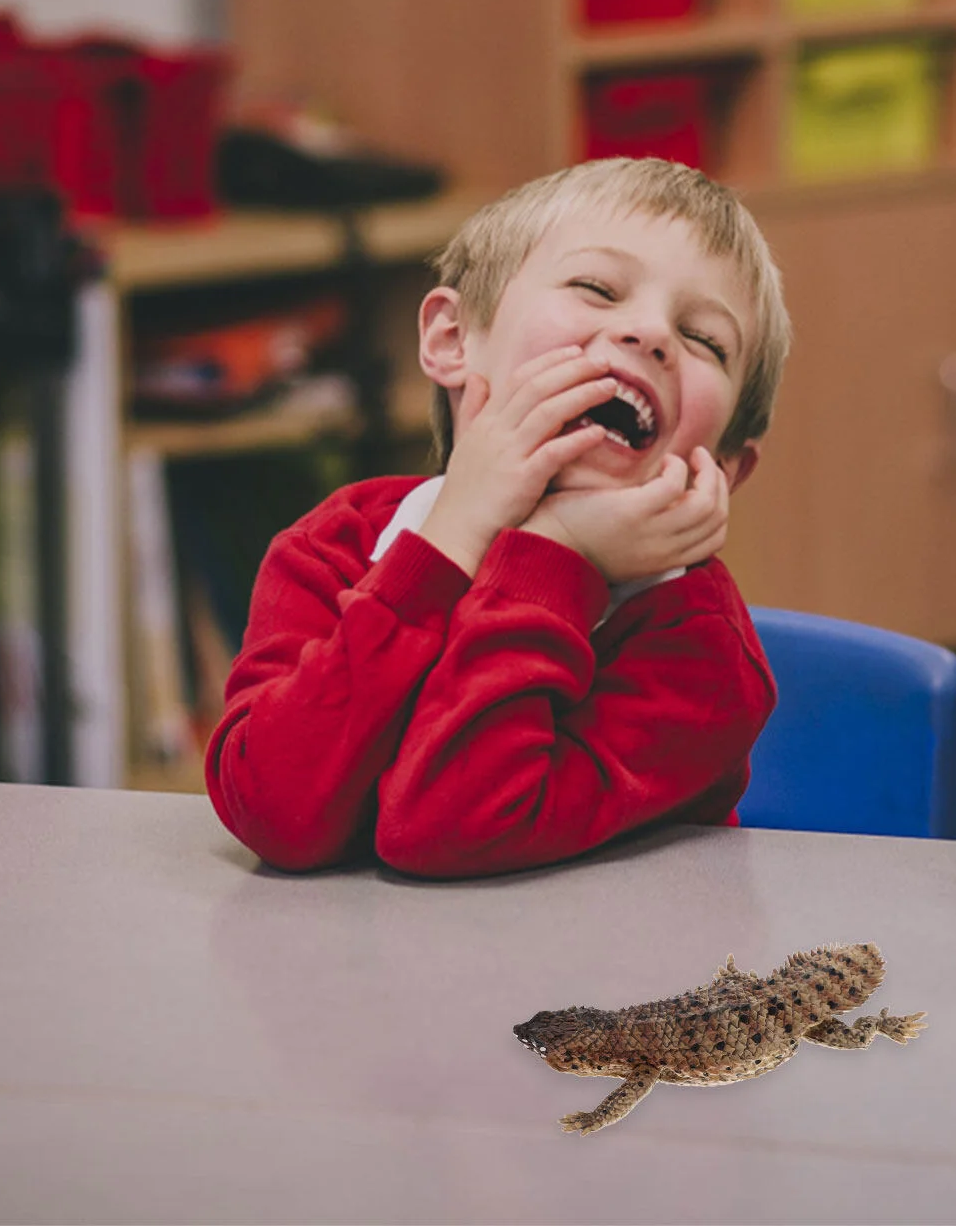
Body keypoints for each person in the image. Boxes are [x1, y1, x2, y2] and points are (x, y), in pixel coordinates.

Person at [206, 157, 792, 878]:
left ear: (726, 465)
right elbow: (275, 811)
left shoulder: (703, 657)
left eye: (704, 340)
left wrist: (554, 555)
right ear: (452, 339)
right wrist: (448, 542)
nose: (650, 333)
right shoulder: (337, 544)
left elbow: (448, 828)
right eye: (598, 289)